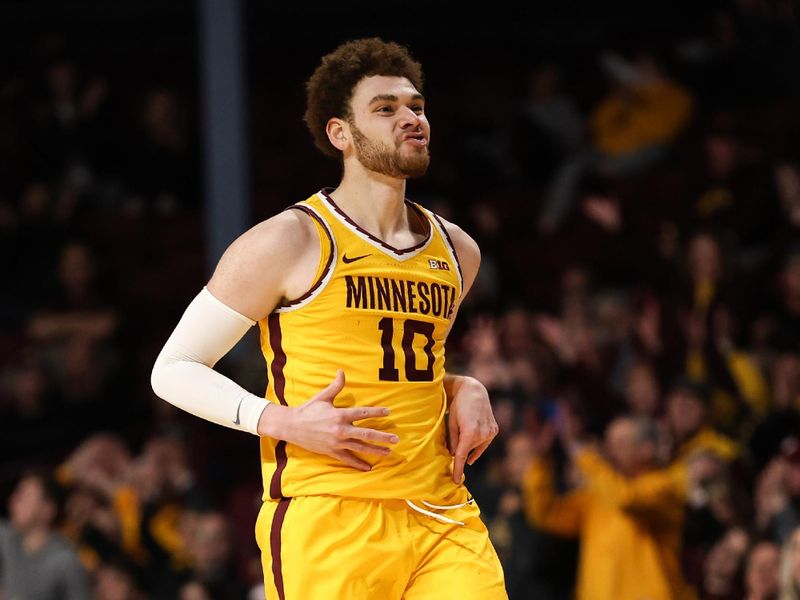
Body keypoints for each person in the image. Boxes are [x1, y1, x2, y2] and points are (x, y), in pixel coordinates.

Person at [150, 38, 505, 599]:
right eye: (385, 109)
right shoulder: (288, 240)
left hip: (441, 512)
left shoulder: (458, 250)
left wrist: (463, 383)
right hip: (330, 515)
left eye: (415, 105)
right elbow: (172, 369)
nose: (410, 119)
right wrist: (278, 421)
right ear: (341, 134)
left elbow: (403, 366)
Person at [521, 415, 696, 600]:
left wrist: (585, 455)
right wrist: (540, 463)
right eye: (609, 443)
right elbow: (547, 515)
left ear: (646, 449)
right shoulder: (598, 493)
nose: (610, 451)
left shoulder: (664, 487)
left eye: (621, 443)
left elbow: (626, 499)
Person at [0, 470, 90, 600]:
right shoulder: (8, 538)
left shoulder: (65, 562)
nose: (13, 501)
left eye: (23, 496)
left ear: (47, 510)